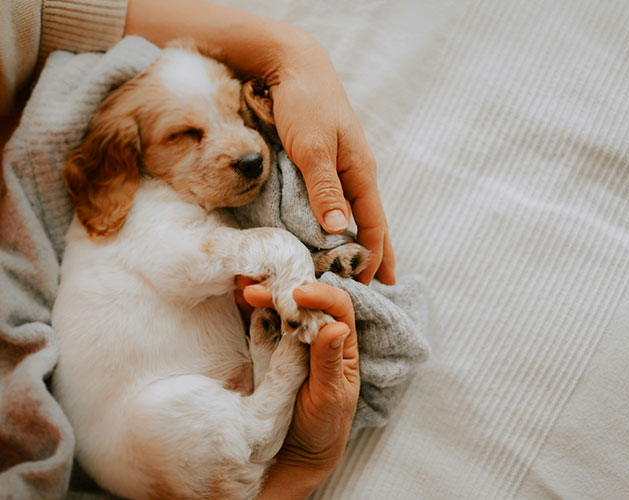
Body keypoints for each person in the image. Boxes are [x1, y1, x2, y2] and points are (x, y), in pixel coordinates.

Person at [1, 0, 395, 497]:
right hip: (151, 437)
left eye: (235, 112)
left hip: (203, 410)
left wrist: (291, 55)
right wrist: (286, 257)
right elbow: (191, 264)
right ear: (127, 153)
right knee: (175, 405)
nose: (248, 149)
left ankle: (273, 391)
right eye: (187, 134)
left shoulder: (193, 202)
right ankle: (270, 401)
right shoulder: (133, 208)